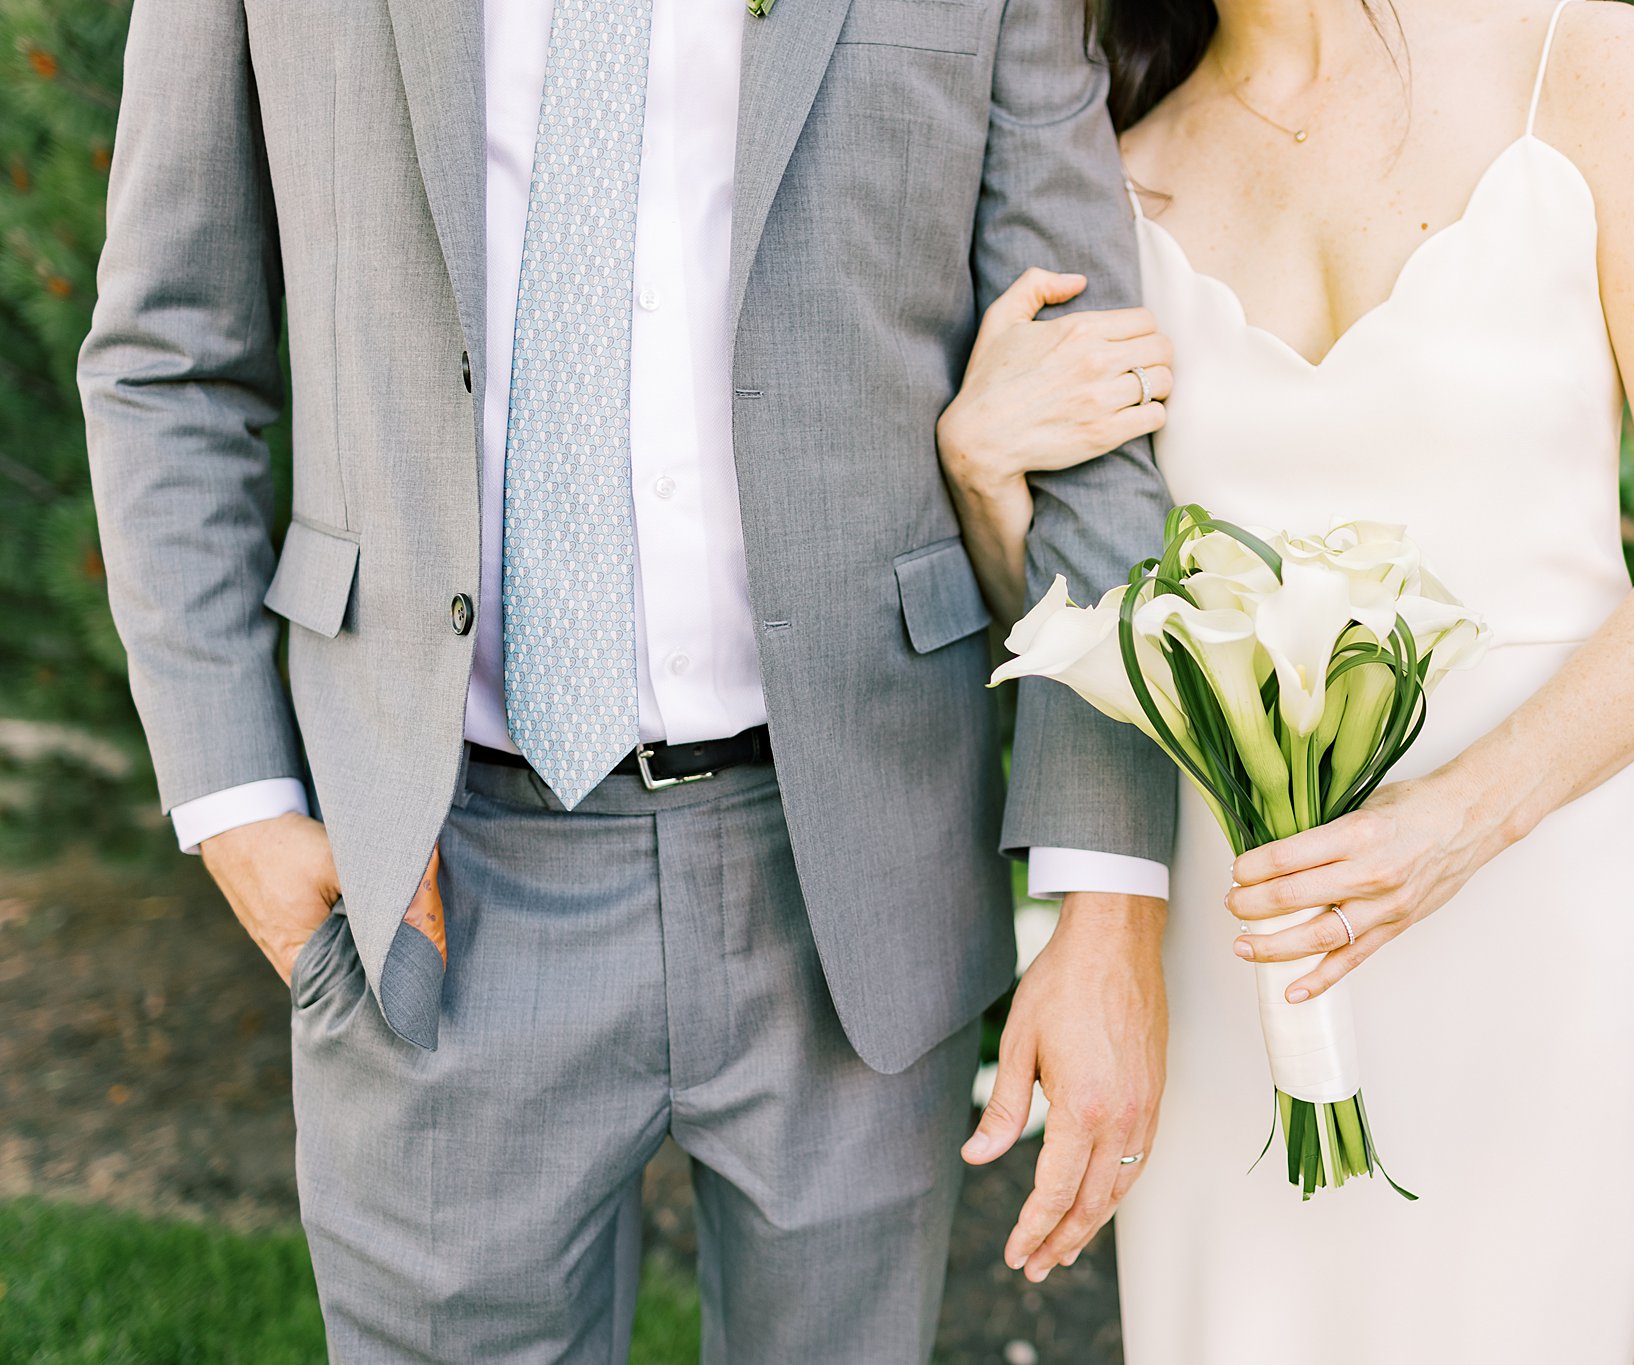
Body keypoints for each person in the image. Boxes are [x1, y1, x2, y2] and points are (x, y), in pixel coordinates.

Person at [78, 0, 1180, 1358]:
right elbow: (168, 362)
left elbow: (1097, 391)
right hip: (435, 872)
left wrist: (1109, 887)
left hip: (854, 865)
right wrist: (236, 797)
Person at [937, 0, 1634, 1358]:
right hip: (1249, 948)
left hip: (1546, 915)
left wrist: (1466, 815)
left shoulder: (1584, 64)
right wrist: (988, 480)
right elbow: (1102, 640)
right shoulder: (1112, 168)